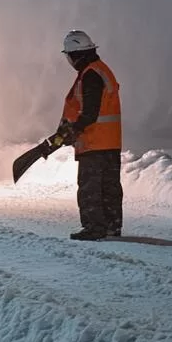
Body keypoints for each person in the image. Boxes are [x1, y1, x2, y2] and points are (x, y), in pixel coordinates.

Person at [49, 30, 123, 241]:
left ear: (76, 54)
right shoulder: (101, 70)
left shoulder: (91, 75)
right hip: (110, 142)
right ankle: (112, 225)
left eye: (69, 56)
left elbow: (90, 112)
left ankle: (94, 228)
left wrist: (73, 129)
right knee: (109, 187)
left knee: (90, 189)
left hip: (94, 142)